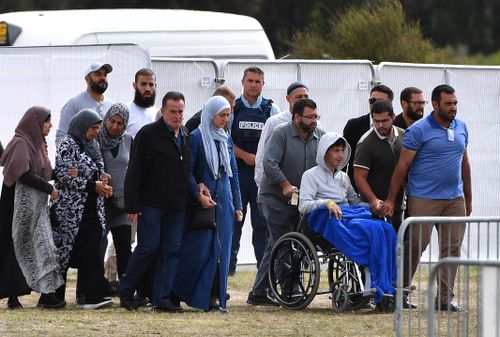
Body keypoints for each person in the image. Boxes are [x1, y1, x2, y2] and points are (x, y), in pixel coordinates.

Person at [380, 84, 472, 312]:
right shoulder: (418, 130)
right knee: (416, 245)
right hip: (423, 198)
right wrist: (391, 200)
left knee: (452, 249)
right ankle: (399, 293)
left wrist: (468, 198)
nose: (453, 108)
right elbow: (402, 167)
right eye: (448, 103)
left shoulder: (461, 127)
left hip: (454, 199)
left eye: (455, 103)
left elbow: (464, 163)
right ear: (435, 104)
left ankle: (444, 298)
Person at [299, 132, 397, 307]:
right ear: (325, 152)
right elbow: (303, 206)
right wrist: (327, 203)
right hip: (324, 220)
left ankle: (383, 281)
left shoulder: (343, 177)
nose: (340, 155)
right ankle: (370, 274)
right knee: (368, 228)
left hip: (348, 215)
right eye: (336, 150)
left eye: (342, 150)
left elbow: (355, 202)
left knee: (386, 228)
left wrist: (375, 205)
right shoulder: (310, 175)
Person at [247, 98, 325, 306]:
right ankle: (292, 291)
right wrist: (284, 185)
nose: (314, 121)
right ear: (297, 117)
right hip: (274, 197)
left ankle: (258, 292)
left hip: (300, 199)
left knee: (276, 243)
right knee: (284, 243)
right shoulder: (281, 133)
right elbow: (269, 163)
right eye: (310, 117)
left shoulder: (321, 136)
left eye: (316, 116)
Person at [120, 91, 190, 313]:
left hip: (177, 205)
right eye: (173, 111)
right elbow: (134, 171)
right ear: (163, 111)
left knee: (172, 250)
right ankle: (126, 289)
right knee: (148, 247)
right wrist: (132, 204)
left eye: (180, 111)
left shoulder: (185, 135)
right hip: (151, 204)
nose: (177, 116)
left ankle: (161, 299)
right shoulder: (148, 134)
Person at [172, 96, 243, 312]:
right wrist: (197, 192)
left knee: (222, 253)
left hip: (225, 202)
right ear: (211, 114)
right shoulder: (196, 137)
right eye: (221, 115)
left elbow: (233, 174)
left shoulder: (226, 138)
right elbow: (189, 171)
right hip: (204, 204)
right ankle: (177, 291)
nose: (224, 119)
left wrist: (237, 204)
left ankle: (213, 297)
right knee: (200, 251)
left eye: (227, 115)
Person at [0, 107, 65, 309]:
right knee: (15, 248)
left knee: (42, 246)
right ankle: (13, 296)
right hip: (15, 205)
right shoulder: (21, 143)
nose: (50, 125)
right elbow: (24, 174)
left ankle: (47, 295)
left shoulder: (37, 145)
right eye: (47, 121)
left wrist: (65, 173)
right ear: (35, 123)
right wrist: (49, 189)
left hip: (34, 207)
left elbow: (42, 170)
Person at [52, 108, 114, 310]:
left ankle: (92, 296)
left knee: (92, 252)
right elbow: (64, 175)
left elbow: (92, 170)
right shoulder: (67, 144)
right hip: (70, 211)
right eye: (93, 128)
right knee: (63, 253)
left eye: (98, 128)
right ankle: (52, 297)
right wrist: (92, 184)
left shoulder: (92, 145)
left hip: (91, 209)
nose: (96, 131)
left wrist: (102, 179)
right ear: (82, 126)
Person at [229, 66, 280, 275]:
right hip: (238, 174)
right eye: (250, 80)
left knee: (262, 226)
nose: (253, 85)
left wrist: (259, 160)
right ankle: (227, 270)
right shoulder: (233, 108)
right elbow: (225, 140)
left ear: (263, 84)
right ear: (242, 82)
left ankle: (264, 272)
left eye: (257, 81)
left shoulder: (271, 110)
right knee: (234, 224)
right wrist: (244, 156)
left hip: (261, 177)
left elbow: (277, 142)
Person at [354, 99, 406, 232]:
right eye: (376, 121)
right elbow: (359, 177)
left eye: (385, 121)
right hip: (377, 208)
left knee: (398, 246)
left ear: (393, 117)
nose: (380, 125)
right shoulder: (365, 143)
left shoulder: (404, 135)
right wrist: (373, 200)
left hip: (399, 204)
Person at [96, 103, 133, 283]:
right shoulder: (95, 139)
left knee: (124, 245)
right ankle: (88, 290)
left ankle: (126, 290)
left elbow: (132, 168)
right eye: (112, 121)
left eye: (120, 123)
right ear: (106, 119)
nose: (114, 126)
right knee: (98, 246)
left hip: (122, 204)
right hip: (101, 202)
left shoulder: (128, 140)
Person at [254, 81, 310, 188]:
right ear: (288, 99)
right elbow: (262, 155)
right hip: (277, 188)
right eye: (299, 97)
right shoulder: (275, 122)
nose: (303, 100)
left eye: (306, 96)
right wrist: (260, 186)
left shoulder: (314, 124)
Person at [343, 84, 394, 191]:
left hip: (387, 191)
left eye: (379, 101)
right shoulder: (354, 125)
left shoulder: (397, 128)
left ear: (390, 105)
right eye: (372, 101)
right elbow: (344, 159)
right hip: (356, 191)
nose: (375, 104)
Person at [56, 62, 114, 145]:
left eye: (105, 75)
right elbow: (62, 136)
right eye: (98, 74)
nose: (103, 78)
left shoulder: (111, 105)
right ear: (87, 79)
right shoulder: (74, 104)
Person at [127, 68, 158, 138]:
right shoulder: (126, 112)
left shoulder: (157, 113)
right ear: (135, 86)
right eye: (143, 84)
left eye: (151, 84)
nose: (147, 89)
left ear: (155, 86)